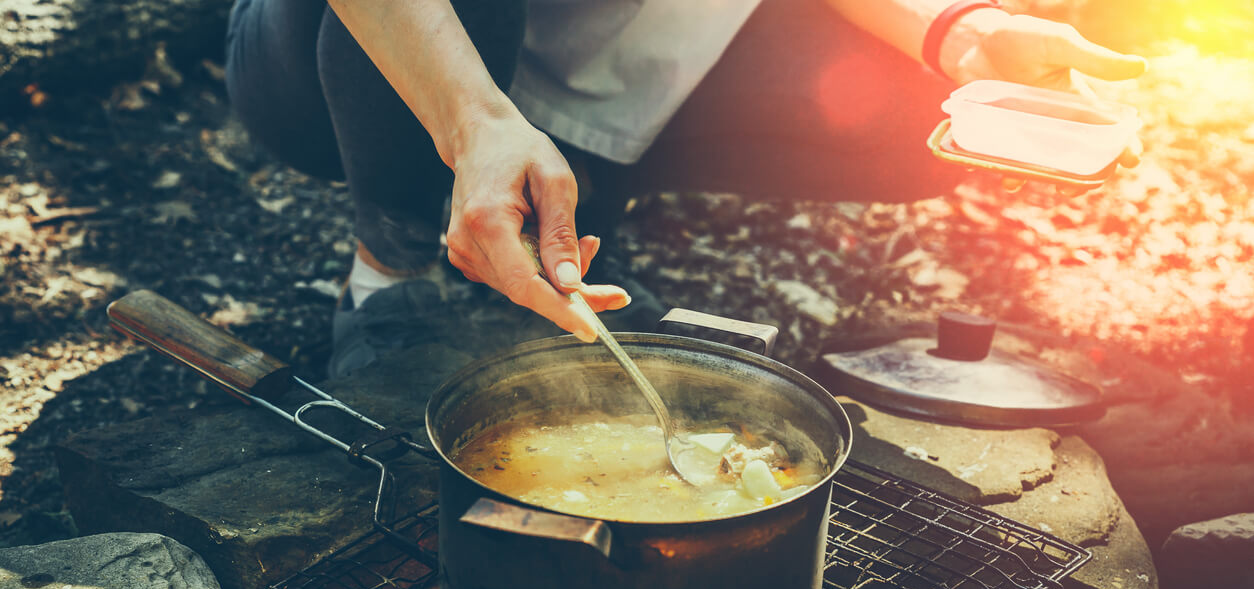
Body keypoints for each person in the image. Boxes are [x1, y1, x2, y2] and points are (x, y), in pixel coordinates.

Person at [224, 0, 1146, 376]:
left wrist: (962, 33)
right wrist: (475, 124)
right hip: (351, 49)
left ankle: (570, 213)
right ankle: (390, 272)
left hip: (606, 39)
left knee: (927, 110)